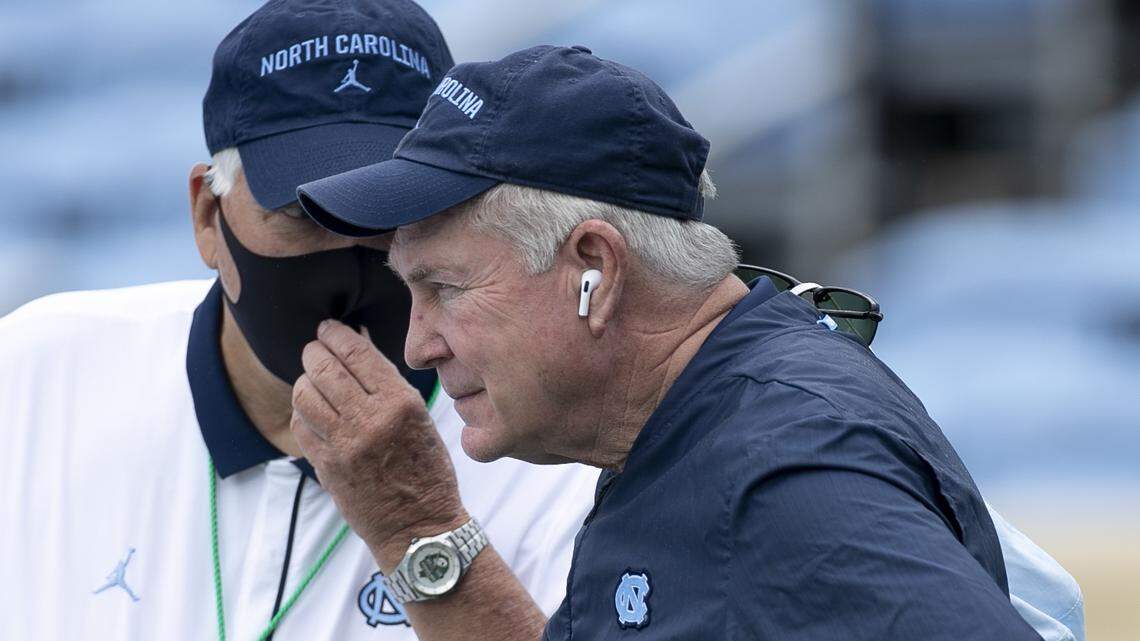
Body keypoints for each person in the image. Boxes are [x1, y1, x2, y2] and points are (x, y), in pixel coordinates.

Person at [292, 45, 1084, 640]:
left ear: (594, 269)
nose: (418, 343)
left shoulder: (783, 468)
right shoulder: (690, 424)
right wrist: (419, 529)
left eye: (445, 289)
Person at [0, 7, 598, 641]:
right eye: (305, 211)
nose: (351, 252)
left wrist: (419, 527)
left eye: (390, 210)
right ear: (209, 216)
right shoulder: (36, 377)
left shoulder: (556, 453)